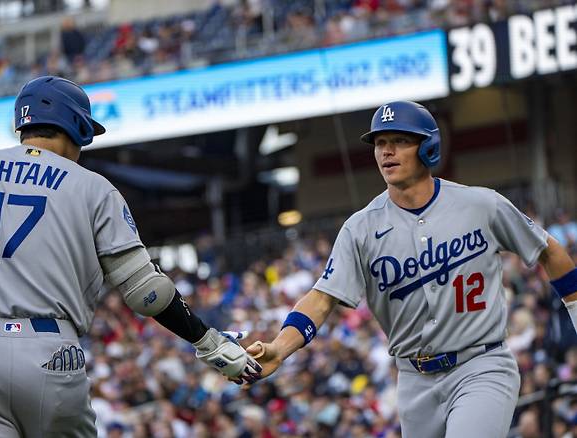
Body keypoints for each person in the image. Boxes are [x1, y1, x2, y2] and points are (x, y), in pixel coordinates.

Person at [0, 76, 260, 437]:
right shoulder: (93, 188)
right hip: (49, 353)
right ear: (78, 127)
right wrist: (206, 341)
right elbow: (147, 293)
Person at [246, 101, 577, 438]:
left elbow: (549, 252)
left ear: (429, 147)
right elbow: (321, 299)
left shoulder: (481, 204)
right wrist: (279, 348)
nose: (387, 151)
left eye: (400, 141)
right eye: (379, 143)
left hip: (481, 365)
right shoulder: (359, 228)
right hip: (414, 380)